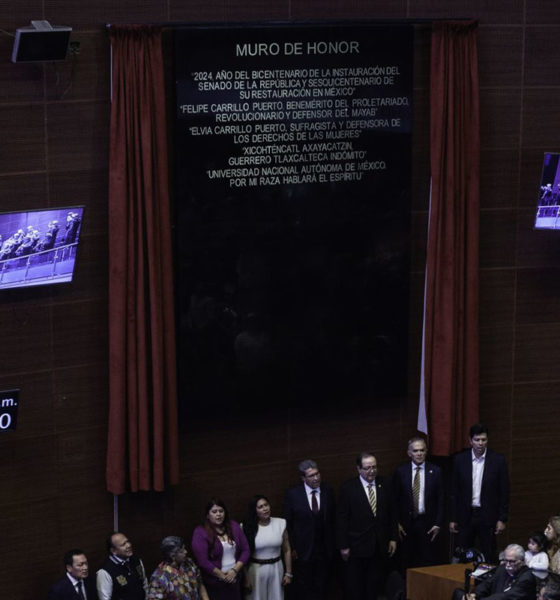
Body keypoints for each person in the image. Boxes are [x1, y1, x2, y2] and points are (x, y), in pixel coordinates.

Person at [336, 452, 398, 600]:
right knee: (356, 586)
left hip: (379, 545)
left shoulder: (386, 484)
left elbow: (392, 513)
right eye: (368, 468)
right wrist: (343, 545)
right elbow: (341, 519)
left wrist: (393, 538)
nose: (372, 471)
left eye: (374, 467)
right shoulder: (348, 488)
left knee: (374, 585)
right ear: (359, 469)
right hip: (356, 546)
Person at [449, 423, 509, 562]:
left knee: (488, 553)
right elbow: (454, 492)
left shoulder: (498, 460)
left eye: (483, 440)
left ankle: (487, 583)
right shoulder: (460, 460)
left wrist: (502, 518)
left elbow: (504, 491)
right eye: (477, 440)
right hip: (466, 515)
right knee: (464, 553)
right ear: (470, 441)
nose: (480, 443)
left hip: (487, 515)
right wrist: (453, 518)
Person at [283, 458, 336, 600]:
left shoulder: (328, 490)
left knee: (324, 586)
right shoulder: (293, 494)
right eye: (312, 475)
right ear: (303, 478)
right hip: (303, 550)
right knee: (305, 588)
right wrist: (292, 547)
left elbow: (333, 519)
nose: (316, 477)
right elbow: (288, 523)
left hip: (325, 549)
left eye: (317, 474)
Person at [392, 436, 443, 570]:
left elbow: (441, 500)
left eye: (422, 450)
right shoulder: (400, 471)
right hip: (406, 524)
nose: (419, 453)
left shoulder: (436, 471)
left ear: (426, 451)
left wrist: (438, 523)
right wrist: (396, 523)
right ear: (409, 453)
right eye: (415, 451)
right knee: (407, 560)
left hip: (428, 524)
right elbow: (395, 500)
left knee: (427, 560)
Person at [191, 498, 250, 600]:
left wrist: (234, 571)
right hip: (215, 582)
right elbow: (202, 561)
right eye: (214, 512)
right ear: (208, 515)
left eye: (221, 511)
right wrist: (222, 576)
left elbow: (246, 550)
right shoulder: (200, 532)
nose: (218, 514)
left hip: (235, 578)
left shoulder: (234, 526)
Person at [243, 494, 292, 600]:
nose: (265, 509)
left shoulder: (280, 523)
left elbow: (287, 549)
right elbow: (242, 555)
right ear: (254, 510)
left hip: (276, 569)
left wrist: (288, 573)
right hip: (256, 571)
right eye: (260, 507)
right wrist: (246, 578)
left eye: (266, 505)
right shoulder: (247, 527)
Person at [451, 544, 535, 600]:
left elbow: (507, 596)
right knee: (458, 593)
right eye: (506, 560)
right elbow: (487, 584)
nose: (507, 564)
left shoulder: (527, 577)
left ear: (522, 561)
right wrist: (475, 594)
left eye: (512, 561)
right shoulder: (502, 569)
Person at [146, 535, 209, 600]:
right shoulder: (159, 577)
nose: (186, 552)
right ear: (172, 556)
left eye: (184, 548)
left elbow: (200, 584)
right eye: (181, 551)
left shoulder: (189, 563)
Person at [97, 531, 148, 600]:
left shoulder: (136, 560)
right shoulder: (104, 572)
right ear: (113, 551)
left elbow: (144, 584)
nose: (128, 545)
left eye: (128, 541)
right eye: (123, 544)